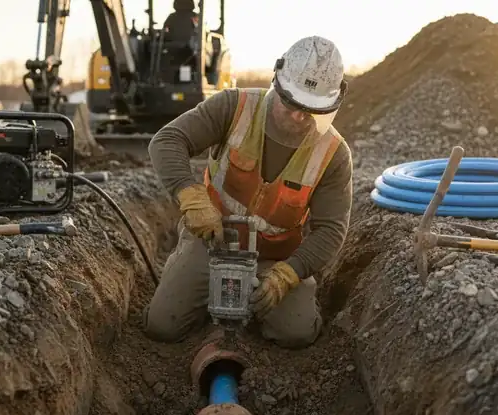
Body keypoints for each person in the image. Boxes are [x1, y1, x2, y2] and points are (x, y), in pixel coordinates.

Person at [144, 35, 353, 349]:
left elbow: (331, 229)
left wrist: (289, 273)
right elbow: (167, 140)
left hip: (275, 260)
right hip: (212, 244)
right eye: (291, 104)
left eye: (311, 111)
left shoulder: (333, 154)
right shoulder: (235, 107)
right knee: (162, 326)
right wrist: (191, 197)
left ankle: (260, 304)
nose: (299, 117)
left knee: (296, 334)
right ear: (276, 83)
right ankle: (195, 283)